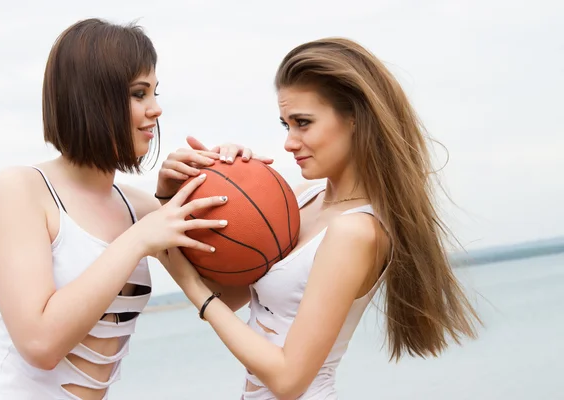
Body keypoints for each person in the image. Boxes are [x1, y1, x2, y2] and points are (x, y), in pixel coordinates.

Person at [158, 38, 482, 399]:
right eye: (286, 125)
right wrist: (181, 192)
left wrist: (193, 290)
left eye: (303, 123)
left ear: (356, 120)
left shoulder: (356, 230)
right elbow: (229, 297)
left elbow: (288, 380)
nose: (289, 142)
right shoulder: (299, 201)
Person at [0, 18, 259, 399]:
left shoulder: (139, 206)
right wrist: (138, 239)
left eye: (155, 92)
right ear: (92, 99)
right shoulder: (21, 189)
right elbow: (40, 345)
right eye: (139, 94)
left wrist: (236, 180)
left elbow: (225, 298)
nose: (156, 109)